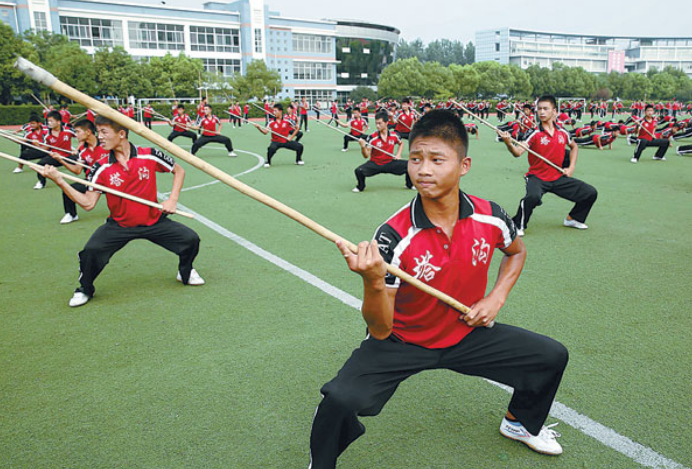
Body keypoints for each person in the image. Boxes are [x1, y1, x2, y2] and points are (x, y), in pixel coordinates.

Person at [308, 110, 568, 469]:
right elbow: (380, 328)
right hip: (402, 341)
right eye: (415, 159)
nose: (423, 170)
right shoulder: (393, 235)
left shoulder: (490, 215)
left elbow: (516, 252)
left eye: (436, 160)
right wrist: (371, 280)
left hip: (467, 331)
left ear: (464, 165)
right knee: (339, 399)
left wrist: (496, 298)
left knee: (550, 356)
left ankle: (519, 423)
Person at [40, 115, 204, 308]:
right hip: (120, 225)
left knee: (191, 240)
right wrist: (60, 181)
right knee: (91, 252)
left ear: (121, 134)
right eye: (98, 131)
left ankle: (185, 271)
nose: (99, 136)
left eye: (104, 132)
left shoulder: (148, 154)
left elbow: (179, 171)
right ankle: (85, 289)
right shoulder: (100, 167)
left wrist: (172, 199)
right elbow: (88, 203)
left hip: (154, 221)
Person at [499, 95, 598, 236]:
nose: (542, 112)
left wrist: (571, 168)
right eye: (539, 109)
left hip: (557, 177)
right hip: (537, 177)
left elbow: (574, 147)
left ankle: (573, 218)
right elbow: (518, 152)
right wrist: (509, 143)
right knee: (533, 197)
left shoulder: (563, 133)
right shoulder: (533, 132)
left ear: (554, 112)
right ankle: (517, 225)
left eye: (546, 109)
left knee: (590, 193)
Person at [58, 119, 108, 224]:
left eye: (77, 131)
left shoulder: (106, 144)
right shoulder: (82, 151)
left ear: (88, 132)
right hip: (92, 181)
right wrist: (60, 160)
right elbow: (77, 170)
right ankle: (71, 214)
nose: (76, 135)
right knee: (68, 189)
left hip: (109, 180)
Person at [353, 111, 412, 193]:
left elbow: (401, 143)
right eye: (376, 123)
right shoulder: (372, 138)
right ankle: (360, 187)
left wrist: (398, 154)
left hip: (389, 162)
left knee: (410, 165)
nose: (377, 126)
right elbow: (366, 155)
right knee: (359, 171)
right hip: (375, 164)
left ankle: (409, 184)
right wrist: (363, 147)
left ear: (387, 123)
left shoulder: (394, 135)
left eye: (380, 123)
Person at [33, 110, 76, 190]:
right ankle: (41, 182)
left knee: (83, 160)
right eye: (48, 121)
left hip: (67, 156)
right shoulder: (47, 135)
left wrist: (76, 149)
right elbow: (44, 149)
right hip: (54, 157)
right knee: (40, 164)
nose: (49, 123)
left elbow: (82, 139)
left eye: (51, 121)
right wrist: (37, 145)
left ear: (59, 122)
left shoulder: (68, 130)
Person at [252, 103, 304, 167]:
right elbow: (265, 132)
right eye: (273, 111)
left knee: (300, 147)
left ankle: (298, 160)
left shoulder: (287, 120)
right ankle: (268, 161)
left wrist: (291, 137)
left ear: (280, 111)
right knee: (271, 148)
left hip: (285, 140)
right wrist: (259, 128)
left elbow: (297, 128)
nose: (274, 112)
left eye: (275, 111)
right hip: (276, 142)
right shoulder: (271, 122)